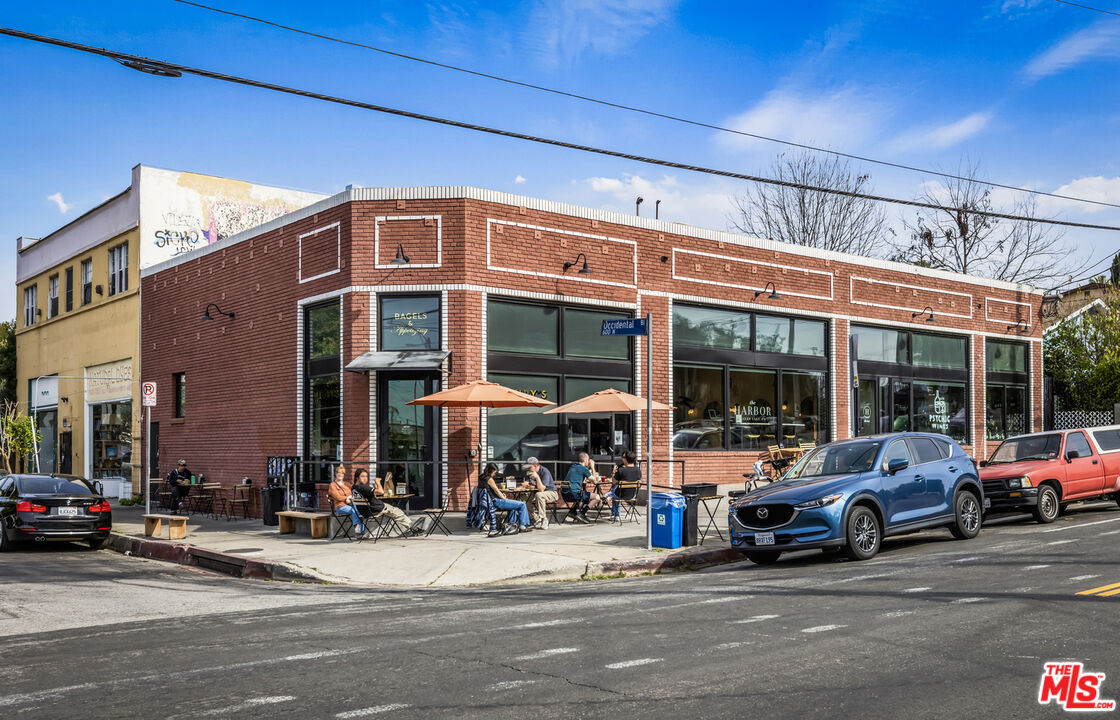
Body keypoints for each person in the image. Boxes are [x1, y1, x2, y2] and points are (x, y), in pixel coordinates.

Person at [353, 468, 422, 537]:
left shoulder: (354, 488)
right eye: (362, 476)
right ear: (357, 478)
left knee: (356, 516)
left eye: (366, 476)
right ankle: (413, 528)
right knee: (399, 512)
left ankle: (358, 534)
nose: (365, 478)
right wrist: (378, 482)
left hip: (364, 512)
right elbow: (381, 492)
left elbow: (371, 494)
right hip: (377, 509)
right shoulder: (364, 487)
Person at [484, 462, 532, 535]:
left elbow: (491, 491)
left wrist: (500, 495)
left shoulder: (481, 478)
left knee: (512, 507)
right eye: (494, 472)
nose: (495, 474)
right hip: (496, 501)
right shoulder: (489, 479)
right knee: (522, 504)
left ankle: (511, 526)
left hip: (490, 501)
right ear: (491, 470)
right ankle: (523, 527)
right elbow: (497, 491)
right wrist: (503, 497)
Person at [327, 465, 366, 537]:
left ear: (344, 475)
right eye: (338, 472)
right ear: (335, 473)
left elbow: (354, 490)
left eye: (342, 473)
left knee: (359, 509)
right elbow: (337, 497)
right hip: (340, 506)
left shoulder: (346, 484)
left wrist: (351, 497)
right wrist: (346, 498)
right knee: (355, 511)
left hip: (351, 504)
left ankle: (361, 532)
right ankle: (359, 533)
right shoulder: (332, 485)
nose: (340, 474)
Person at [605, 450, 641, 521]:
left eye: (623, 457)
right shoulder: (638, 470)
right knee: (617, 488)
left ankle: (615, 514)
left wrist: (613, 472)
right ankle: (609, 495)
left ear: (626, 459)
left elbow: (613, 481)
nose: (622, 458)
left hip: (620, 495)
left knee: (616, 492)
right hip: (632, 495)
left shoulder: (621, 470)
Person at [524, 457, 558, 530]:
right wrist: (527, 485)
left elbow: (542, 489)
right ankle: (535, 518)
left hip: (552, 493)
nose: (528, 469)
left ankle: (543, 519)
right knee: (524, 496)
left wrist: (537, 478)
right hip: (537, 493)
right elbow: (526, 483)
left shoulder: (544, 471)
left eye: (529, 467)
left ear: (535, 466)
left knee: (539, 495)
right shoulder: (529, 472)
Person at [562, 451, 596, 524]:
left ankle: (573, 512)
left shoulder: (573, 466)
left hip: (565, 494)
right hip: (573, 494)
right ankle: (582, 514)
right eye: (588, 459)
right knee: (597, 497)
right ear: (584, 460)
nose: (588, 461)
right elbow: (595, 481)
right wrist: (593, 467)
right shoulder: (583, 469)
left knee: (582, 495)